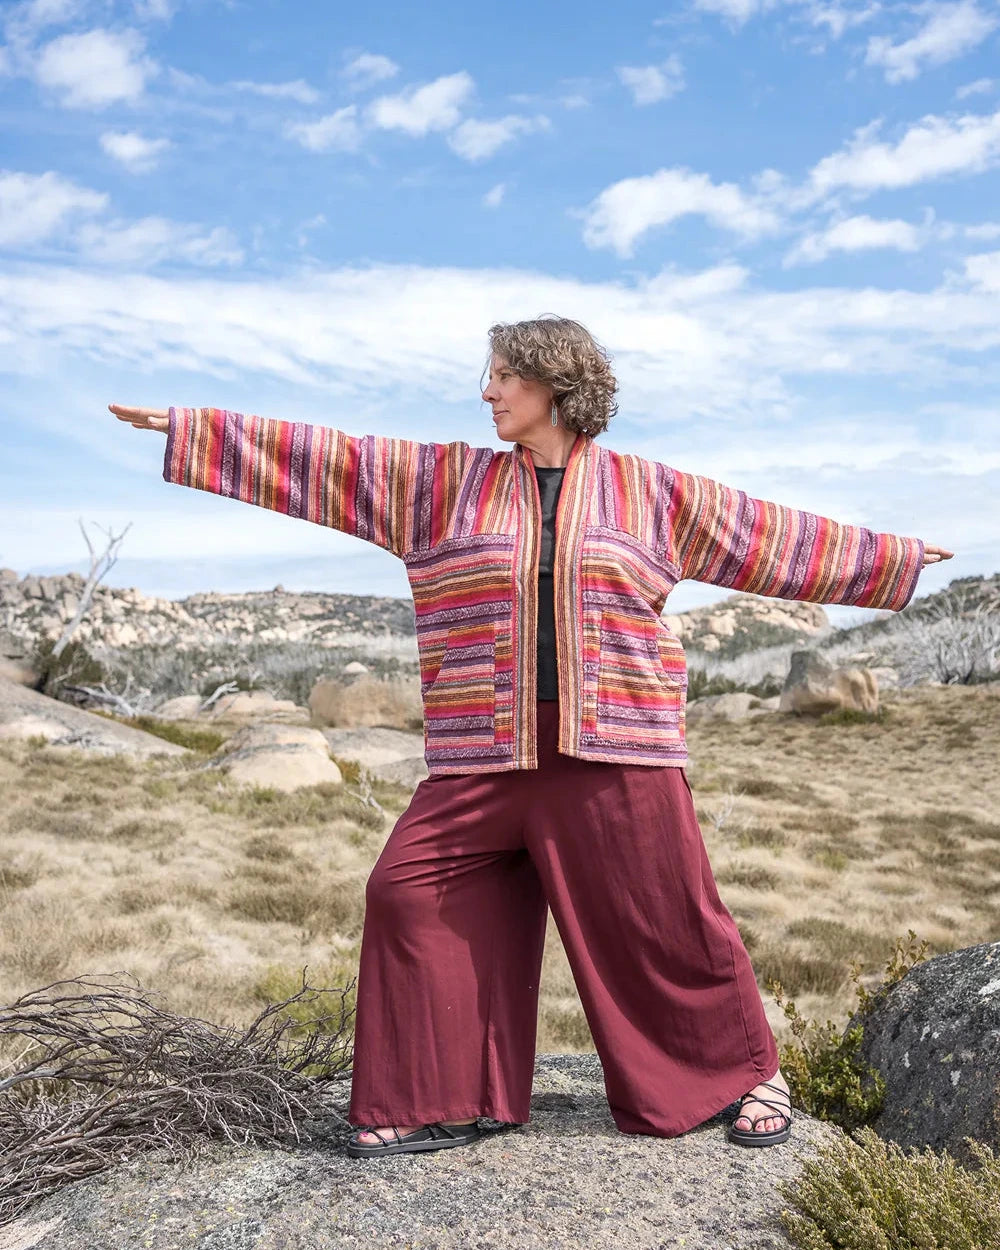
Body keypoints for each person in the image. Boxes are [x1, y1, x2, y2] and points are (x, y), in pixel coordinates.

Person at [109, 314, 952, 1159]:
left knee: (665, 920)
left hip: (616, 748)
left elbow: (770, 536)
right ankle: (447, 1095)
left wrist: (899, 559)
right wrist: (194, 429)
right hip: (482, 751)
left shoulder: (650, 491)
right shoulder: (438, 482)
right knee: (407, 895)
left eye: (505, 375)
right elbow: (328, 458)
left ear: (556, 384)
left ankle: (741, 1073)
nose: (488, 390)